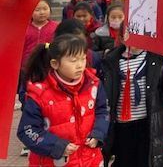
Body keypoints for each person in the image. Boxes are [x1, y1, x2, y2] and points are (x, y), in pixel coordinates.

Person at [17, 34, 109, 166]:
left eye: (83, 59)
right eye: (73, 61)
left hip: (90, 158)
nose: (80, 65)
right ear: (55, 64)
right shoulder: (39, 93)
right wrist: (56, 146)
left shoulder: (93, 84)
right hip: (53, 161)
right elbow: (27, 130)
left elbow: (103, 111)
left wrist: (98, 133)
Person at [101, 32, 163, 167]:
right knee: (124, 160)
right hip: (122, 123)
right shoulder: (112, 60)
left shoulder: (155, 58)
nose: (135, 41)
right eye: (130, 36)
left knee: (145, 160)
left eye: (139, 36)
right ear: (122, 39)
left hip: (147, 122)